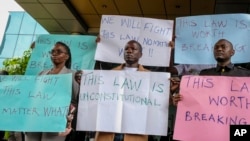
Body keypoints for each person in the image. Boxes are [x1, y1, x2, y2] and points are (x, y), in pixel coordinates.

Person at [95, 40, 150, 141]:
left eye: (133, 49)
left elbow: (157, 105)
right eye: (126, 49)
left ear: (140, 54)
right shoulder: (109, 75)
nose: (129, 51)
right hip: (108, 132)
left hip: (135, 134)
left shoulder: (151, 77)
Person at [25, 41, 79, 141]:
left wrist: (68, 123)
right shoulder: (42, 73)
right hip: (34, 121)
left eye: (59, 52)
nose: (54, 54)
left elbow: (74, 102)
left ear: (66, 56)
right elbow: (32, 97)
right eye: (53, 51)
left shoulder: (72, 75)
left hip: (55, 123)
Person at [172, 38, 250, 105]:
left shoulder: (245, 75)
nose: (219, 49)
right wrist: (180, 100)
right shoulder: (204, 74)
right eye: (216, 47)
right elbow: (195, 97)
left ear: (232, 52)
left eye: (223, 47)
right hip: (210, 120)